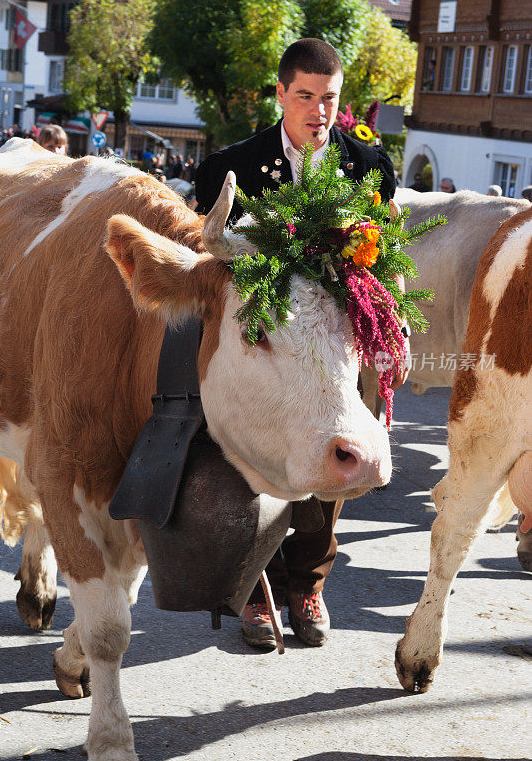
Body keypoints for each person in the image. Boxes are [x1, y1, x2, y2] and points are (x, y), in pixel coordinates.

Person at [196, 38, 405, 651]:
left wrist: (393, 325)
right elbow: (205, 263)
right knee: (253, 458)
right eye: (306, 96)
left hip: (342, 340)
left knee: (337, 456)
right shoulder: (231, 166)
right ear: (281, 93)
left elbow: (389, 249)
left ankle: (307, 583)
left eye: (330, 97)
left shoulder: (365, 160)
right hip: (263, 342)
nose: (319, 110)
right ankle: (257, 585)